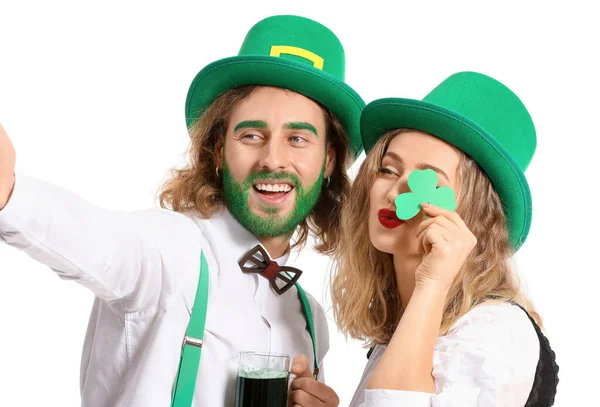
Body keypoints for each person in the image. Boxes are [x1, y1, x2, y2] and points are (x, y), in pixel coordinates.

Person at [0, 14, 364, 406]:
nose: (273, 159)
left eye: (297, 138)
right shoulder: (171, 251)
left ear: (328, 162)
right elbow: (98, 239)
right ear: (218, 151)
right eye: (251, 135)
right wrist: (11, 192)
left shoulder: (310, 319)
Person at [330, 71, 559, 406]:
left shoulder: (495, 331)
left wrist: (433, 281)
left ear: (475, 215)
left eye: (427, 182)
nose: (394, 192)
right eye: (388, 170)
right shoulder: (406, 324)